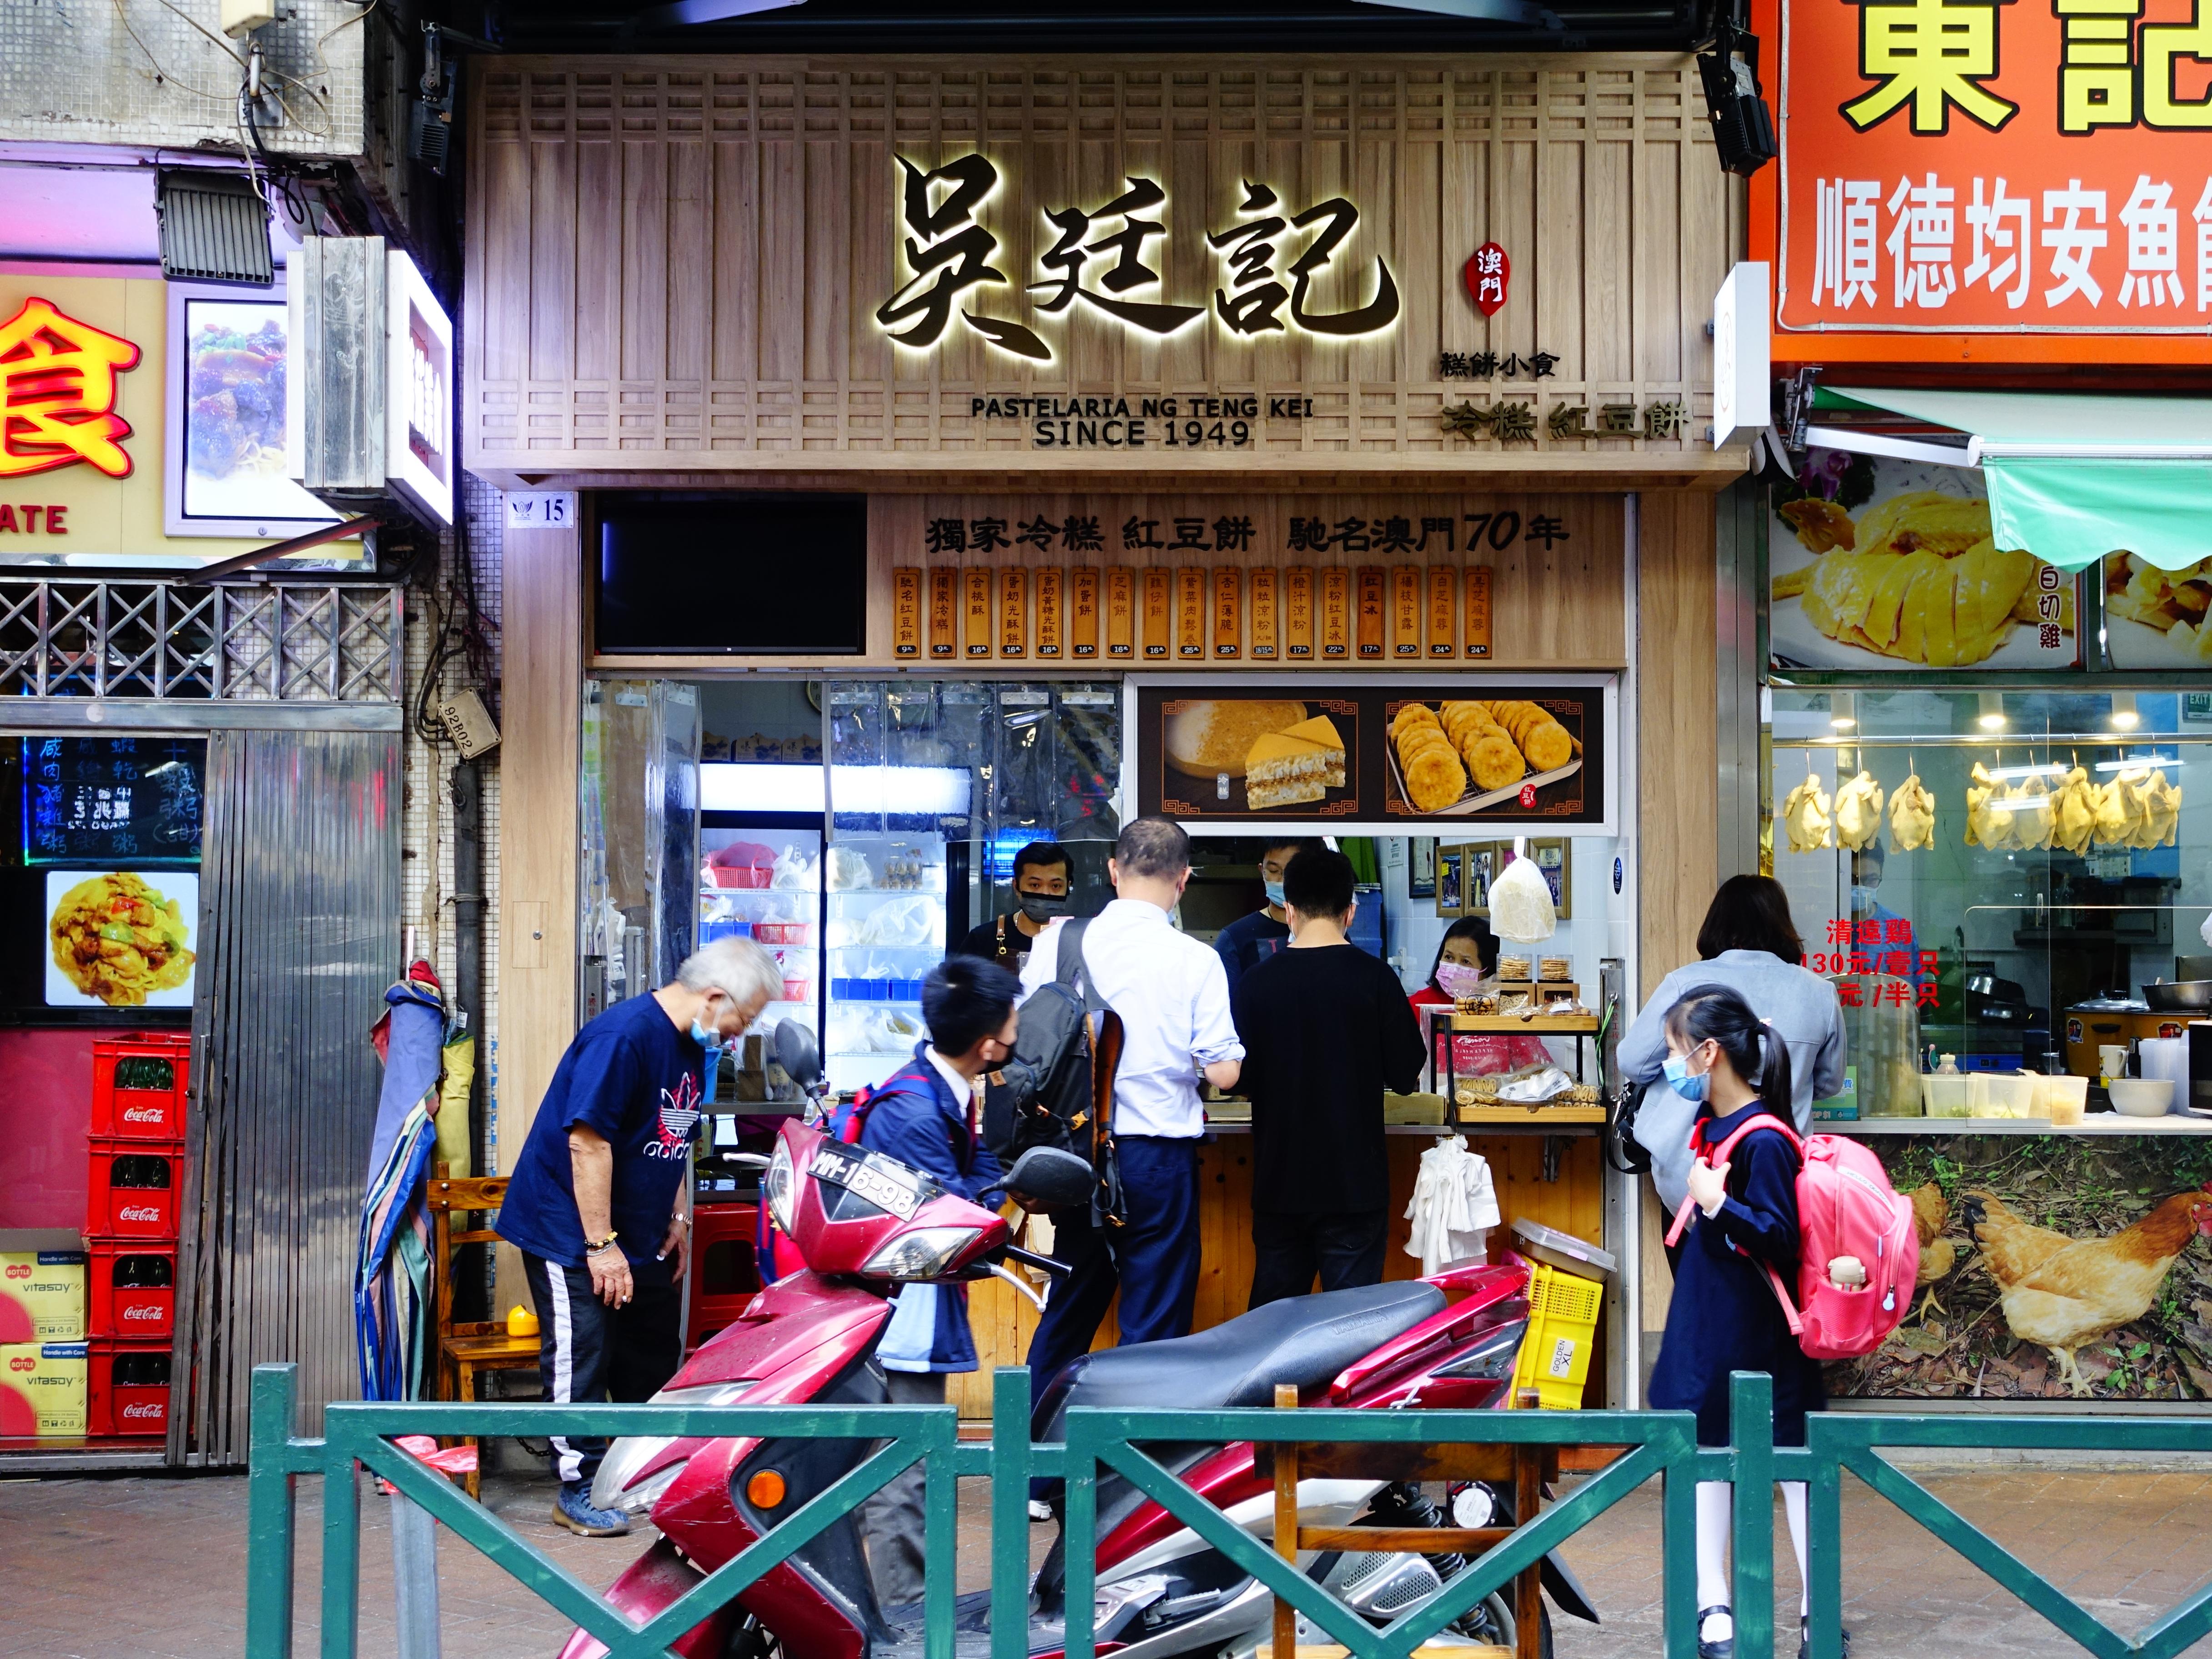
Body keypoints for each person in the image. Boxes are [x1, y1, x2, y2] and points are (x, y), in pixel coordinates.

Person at [496, 935, 781, 1537]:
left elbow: (670, 1135)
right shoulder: (622, 1038)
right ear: (713, 996)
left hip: (642, 1230)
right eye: (741, 1020)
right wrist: (601, 1247)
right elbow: (588, 1142)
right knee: (585, 1354)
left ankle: (638, 1476)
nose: (737, 1035)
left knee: (647, 1356)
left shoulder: (692, 1045)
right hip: (569, 1228)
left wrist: (675, 1218)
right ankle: (577, 1486)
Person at [1018, 816, 1244, 1398]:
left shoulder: (1057, 944)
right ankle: (1125, 1475)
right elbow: (1223, 1072)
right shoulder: (1196, 959)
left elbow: (1024, 1042)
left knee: (1069, 1307)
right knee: (1154, 1319)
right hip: (1156, 1159)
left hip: (1075, 1152)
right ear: (1183, 880)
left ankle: (1040, 1473)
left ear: (1114, 871)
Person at [1644, 985, 1825, 1659]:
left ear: (1708, 1053)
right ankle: (1711, 1608)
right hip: (1712, 1327)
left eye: (1673, 1051)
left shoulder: (1765, 1140)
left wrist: (1720, 1204)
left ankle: (1817, 1608)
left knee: (1796, 1467)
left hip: (1758, 1337)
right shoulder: (1714, 1129)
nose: (1669, 1065)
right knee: (1708, 1459)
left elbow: (1782, 1238)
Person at [845, 954, 1020, 1610]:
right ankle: (909, 1624)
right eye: (1011, 1021)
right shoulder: (916, 1113)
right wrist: (998, 1192)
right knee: (904, 1477)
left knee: (907, 1473)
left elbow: (976, 1177)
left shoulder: (942, 1088)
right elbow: (961, 1215)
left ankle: (902, 1615)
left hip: (916, 1309)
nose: (1016, 1031)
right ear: (988, 1042)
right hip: (903, 1319)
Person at [1232, 847, 1427, 1306]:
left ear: (1291, 911)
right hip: (1354, 1187)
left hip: (1280, 1184)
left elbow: (1238, 1078)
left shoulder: (1256, 983)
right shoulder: (1376, 979)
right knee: (1351, 1329)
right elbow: (1404, 1074)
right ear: (1351, 913)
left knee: (1272, 1330)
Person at [1619, 875, 1845, 1225]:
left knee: (1698, 1274)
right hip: (1778, 1172)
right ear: (1782, 926)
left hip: (1689, 1172)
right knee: (1767, 1274)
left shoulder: (1685, 984)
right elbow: (1828, 1084)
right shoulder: (1820, 993)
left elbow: (1634, 1062)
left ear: (1717, 923)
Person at [1407, 915, 1552, 1084]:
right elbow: (1401, 1070)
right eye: (1449, 957)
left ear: (1486, 970)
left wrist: (1504, 1081)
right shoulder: (1418, 1006)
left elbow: (1536, 1067)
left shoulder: (1503, 1009)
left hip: (1491, 1105)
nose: (1455, 967)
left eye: (1466, 961)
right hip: (1436, 1105)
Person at [1212, 836, 1319, 996]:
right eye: (1274, 871)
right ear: (1262, 871)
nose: (1283, 880)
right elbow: (1226, 1010)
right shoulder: (1235, 939)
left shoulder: (1327, 931)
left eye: (1293, 871)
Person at [956, 840, 1072, 974]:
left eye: (1056, 886)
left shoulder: (1081, 942)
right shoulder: (982, 940)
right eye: (1035, 885)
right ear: (1016, 887)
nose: (1045, 893)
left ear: (1068, 887)